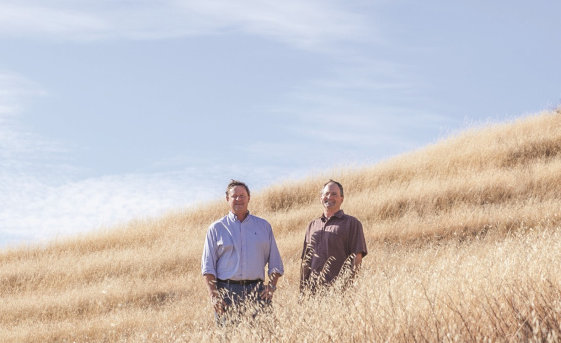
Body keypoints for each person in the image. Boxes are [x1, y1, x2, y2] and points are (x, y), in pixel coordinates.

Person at [201, 180, 284, 324]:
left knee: (263, 336)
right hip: (227, 293)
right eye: (234, 196)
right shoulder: (216, 229)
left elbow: (275, 262)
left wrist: (271, 287)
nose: (238, 199)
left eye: (242, 195)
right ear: (227, 199)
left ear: (249, 198)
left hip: (257, 292)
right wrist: (214, 295)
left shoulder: (264, 226)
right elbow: (208, 267)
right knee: (229, 337)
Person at [300, 179, 367, 293]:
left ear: (342, 199)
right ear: (321, 198)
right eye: (326, 194)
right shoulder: (312, 225)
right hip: (312, 294)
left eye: (334, 194)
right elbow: (306, 262)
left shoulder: (352, 223)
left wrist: (347, 288)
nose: (329, 197)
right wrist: (302, 292)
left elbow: (357, 258)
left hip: (338, 292)